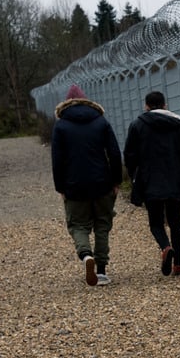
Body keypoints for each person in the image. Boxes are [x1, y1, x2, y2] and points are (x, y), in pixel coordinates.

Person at [51, 83, 123, 286]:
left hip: (74, 184)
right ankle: (101, 270)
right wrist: (116, 180)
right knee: (102, 225)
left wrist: (60, 187)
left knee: (78, 225)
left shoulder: (61, 125)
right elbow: (115, 153)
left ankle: (85, 256)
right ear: (87, 102)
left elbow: (57, 159)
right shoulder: (101, 122)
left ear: (66, 104)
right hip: (102, 182)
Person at [123, 91, 180, 276]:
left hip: (149, 180)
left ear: (146, 106)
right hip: (174, 180)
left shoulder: (137, 125)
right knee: (175, 221)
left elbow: (129, 155)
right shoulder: (178, 124)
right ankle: (179, 264)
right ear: (165, 105)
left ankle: (165, 247)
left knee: (156, 222)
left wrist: (136, 176)